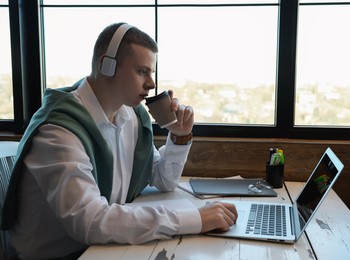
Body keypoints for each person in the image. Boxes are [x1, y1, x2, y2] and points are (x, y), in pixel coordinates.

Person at [1, 22, 237, 259]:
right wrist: (194, 219)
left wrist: (179, 135)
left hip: (102, 248)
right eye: (142, 71)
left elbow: (163, 179)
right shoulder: (59, 131)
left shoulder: (131, 117)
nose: (152, 83)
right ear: (107, 66)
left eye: (151, 73)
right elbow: (91, 222)